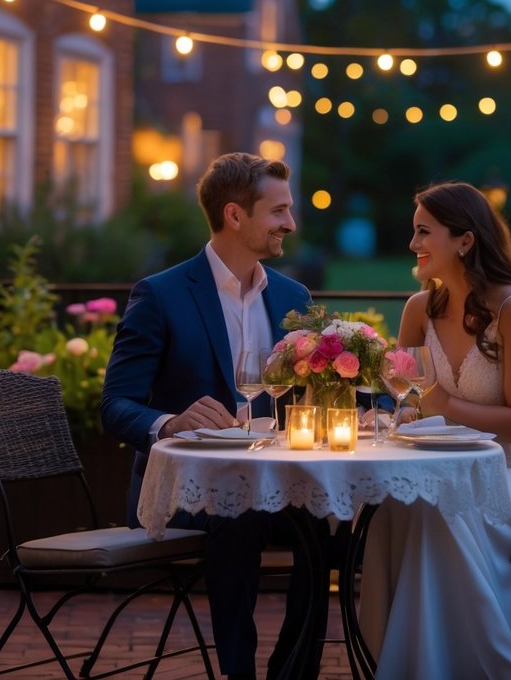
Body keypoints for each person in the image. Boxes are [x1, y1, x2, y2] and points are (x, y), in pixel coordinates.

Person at [359, 181, 511, 679]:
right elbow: (404, 402)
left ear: (464, 240)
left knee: (444, 512)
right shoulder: (418, 310)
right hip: (443, 467)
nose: (413, 243)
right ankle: (415, 662)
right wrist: (387, 412)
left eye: (424, 232)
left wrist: (442, 401)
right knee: (395, 513)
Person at [101, 152, 312, 680]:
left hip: (276, 484)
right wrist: (169, 422)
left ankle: (292, 670)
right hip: (186, 493)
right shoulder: (161, 294)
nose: (290, 223)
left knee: (333, 523)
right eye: (279, 211)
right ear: (236, 216)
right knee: (238, 515)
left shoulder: (292, 296)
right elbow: (115, 406)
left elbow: (308, 394)